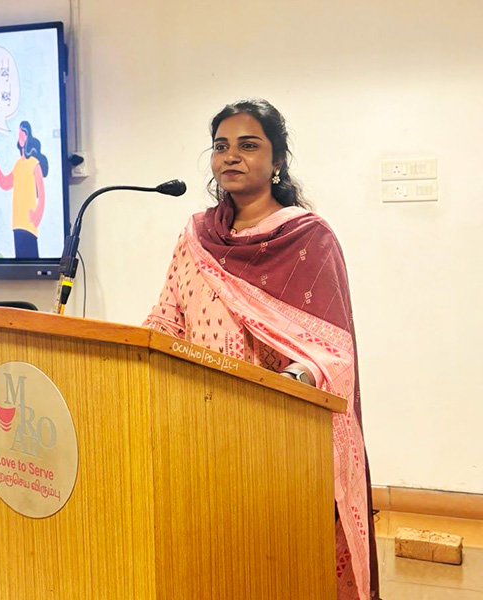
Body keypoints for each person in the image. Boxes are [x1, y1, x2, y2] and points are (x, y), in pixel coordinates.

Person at [144, 99, 379, 600]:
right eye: (221, 146)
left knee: (273, 564)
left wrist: (281, 386)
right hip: (198, 427)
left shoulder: (308, 237)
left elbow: (331, 350)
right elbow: (167, 318)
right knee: (212, 560)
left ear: (277, 161)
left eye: (248, 145)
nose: (231, 156)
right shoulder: (195, 236)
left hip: (275, 433)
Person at [0, 120, 48, 259]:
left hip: (29, 224)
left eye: (23, 132)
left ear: (28, 136)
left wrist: (37, 215)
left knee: (31, 261)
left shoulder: (34, 164)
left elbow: (42, 194)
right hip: (17, 223)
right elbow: (6, 183)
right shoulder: (18, 164)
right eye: (19, 132)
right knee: (20, 263)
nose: (20, 135)